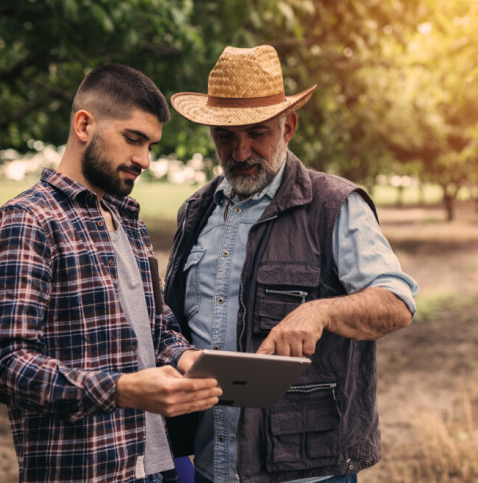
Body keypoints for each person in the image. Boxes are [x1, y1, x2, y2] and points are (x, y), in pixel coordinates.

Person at [163, 46, 419, 483]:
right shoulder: (195, 210)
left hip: (305, 469)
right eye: (225, 137)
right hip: (208, 464)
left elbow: (397, 302)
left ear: (289, 127)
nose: (240, 151)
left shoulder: (334, 205)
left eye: (257, 133)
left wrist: (321, 310)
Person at [0, 64, 222, 483]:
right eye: (133, 139)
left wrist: (185, 357)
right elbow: (5, 365)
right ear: (84, 124)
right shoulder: (27, 221)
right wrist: (122, 389)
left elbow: (155, 324)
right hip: (84, 472)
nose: (144, 159)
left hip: (158, 468)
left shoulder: (130, 222)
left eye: (151, 145)